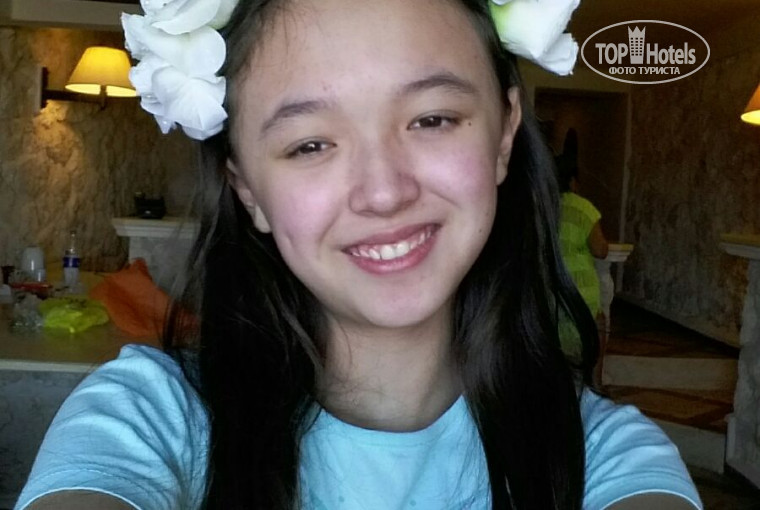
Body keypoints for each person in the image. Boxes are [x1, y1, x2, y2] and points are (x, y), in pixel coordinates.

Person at [15, 0, 701, 509]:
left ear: (503, 136)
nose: (383, 192)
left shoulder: (606, 457)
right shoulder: (147, 418)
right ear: (247, 188)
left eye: (432, 119)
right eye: (310, 144)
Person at [555, 141, 609, 383]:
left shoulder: (545, 206)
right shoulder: (583, 207)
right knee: (598, 324)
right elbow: (600, 250)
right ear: (572, 182)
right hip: (580, 288)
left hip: (551, 287)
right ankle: (594, 380)